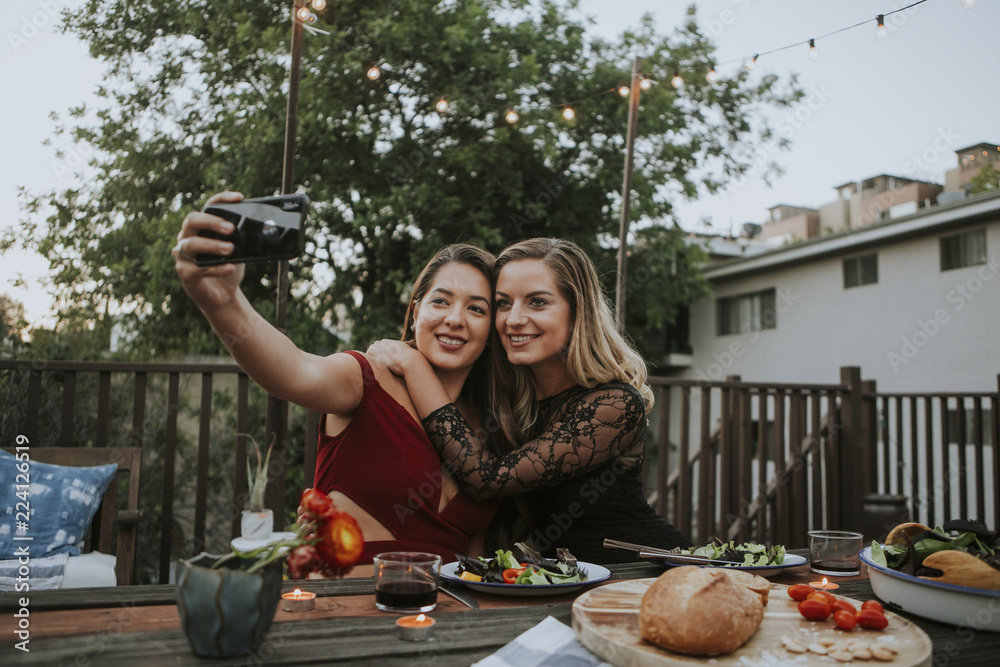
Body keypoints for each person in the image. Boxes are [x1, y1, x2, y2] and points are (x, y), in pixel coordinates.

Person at [173, 191, 510, 572]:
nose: (455, 318)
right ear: (415, 312)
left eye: (476, 308)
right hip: (345, 610)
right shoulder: (367, 378)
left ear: (492, 330)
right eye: (441, 301)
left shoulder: (486, 432)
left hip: (448, 618)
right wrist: (224, 302)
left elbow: (478, 559)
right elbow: (293, 370)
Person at [367, 237, 693, 564]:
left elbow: (486, 481)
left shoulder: (614, 405)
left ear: (578, 312)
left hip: (643, 575)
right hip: (559, 585)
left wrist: (413, 366)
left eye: (537, 302)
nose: (513, 319)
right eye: (504, 303)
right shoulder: (505, 401)